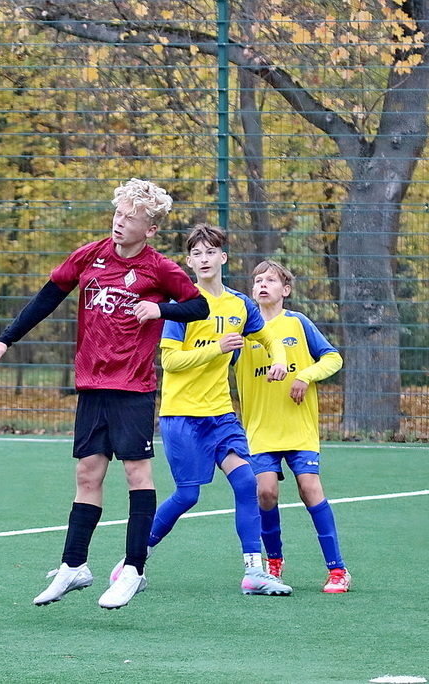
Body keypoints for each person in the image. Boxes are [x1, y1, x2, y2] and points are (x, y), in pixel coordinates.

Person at [0, 178, 209, 609]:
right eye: (118, 213)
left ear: (150, 229)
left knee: (137, 475)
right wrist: (6, 339)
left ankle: (134, 569)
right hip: (91, 386)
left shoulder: (160, 269)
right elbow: (47, 298)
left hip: (133, 388)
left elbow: (199, 306)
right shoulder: (90, 255)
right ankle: (74, 565)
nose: (120, 223)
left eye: (131, 218)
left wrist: (160, 308)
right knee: (87, 475)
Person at [121, 224, 292, 596]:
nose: (204, 259)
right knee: (188, 496)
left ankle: (254, 571)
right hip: (182, 416)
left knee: (246, 483)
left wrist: (279, 360)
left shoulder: (240, 304)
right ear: (189, 261)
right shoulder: (182, 305)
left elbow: (269, 337)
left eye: (210, 252)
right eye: (197, 253)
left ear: (222, 258)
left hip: (221, 416)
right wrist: (217, 348)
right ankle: (135, 558)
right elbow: (171, 361)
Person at [233, 260, 349, 593]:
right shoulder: (242, 331)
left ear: (285, 290)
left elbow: (333, 358)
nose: (262, 284)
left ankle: (338, 570)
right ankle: (274, 562)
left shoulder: (297, 323)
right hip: (260, 429)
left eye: (271, 280)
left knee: (310, 488)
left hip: (299, 427)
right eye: (258, 280)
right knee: (265, 492)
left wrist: (305, 375)